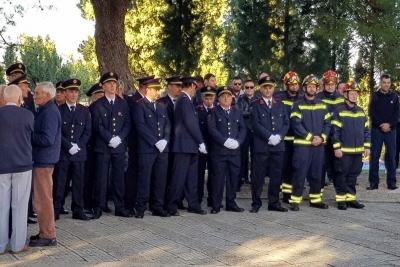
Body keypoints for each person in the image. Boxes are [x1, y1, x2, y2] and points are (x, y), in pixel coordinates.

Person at [91, 72, 132, 219]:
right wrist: (109, 138)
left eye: (114, 82)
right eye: (109, 83)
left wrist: (119, 138)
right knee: (101, 177)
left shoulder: (123, 103)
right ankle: (99, 206)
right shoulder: (97, 105)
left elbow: (127, 123)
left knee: (118, 177)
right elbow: (97, 125)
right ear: (103, 86)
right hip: (103, 146)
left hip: (119, 146)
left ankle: (119, 207)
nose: (113, 85)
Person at [289, 74, 331, 211]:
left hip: (318, 146)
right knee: (299, 172)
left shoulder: (322, 105)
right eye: (309, 86)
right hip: (303, 146)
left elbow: (328, 124)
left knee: (317, 173)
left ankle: (315, 199)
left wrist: (322, 138)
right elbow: (296, 124)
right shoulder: (297, 105)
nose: (312, 89)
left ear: (317, 88)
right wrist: (311, 138)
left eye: (314, 86)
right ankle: (295, 200)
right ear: (305, 88)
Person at [0, 85, 34, 254]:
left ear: (5, 98)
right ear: (20, 98)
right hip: (23, 165)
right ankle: (17, 245)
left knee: (1, 207)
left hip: (1, 166)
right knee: (19, 207)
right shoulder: (28, 115)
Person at [167, 76, 208, 216]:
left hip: (189, 145)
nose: (195, 89)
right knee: (179, 176)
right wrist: (200, 141)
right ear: (191, 85)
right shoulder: (184, 100)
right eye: (195, 86)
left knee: (191, 177)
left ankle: (193, 204)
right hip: (183, 145)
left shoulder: (185, 100)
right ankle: (171, 205)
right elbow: (190, 123)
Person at [53, 79, 92, 221]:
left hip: (79, 153)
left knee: (78, 182)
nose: (74, 94)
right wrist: (68, 146)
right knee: (60, 182)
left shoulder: (84, 110)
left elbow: (87, 131)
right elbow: (57, 132)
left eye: (76, 91)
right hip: (64, 152)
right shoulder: (58, 110)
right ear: (65, 93)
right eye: (71, 91)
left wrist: (78, 146)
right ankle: (56, 209)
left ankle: (78, 209)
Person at [249, 75, 289, 213]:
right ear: (261, 89)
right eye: (265, 87)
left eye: (270, 87)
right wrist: (269, 136)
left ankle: (274, 202)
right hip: (262, 145)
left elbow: (286, 122)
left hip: (278, 145)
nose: (267, 90)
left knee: (276, 176)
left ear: (273, 88)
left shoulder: (280, 104)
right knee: (258, 176)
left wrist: (279, 136)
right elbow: (255, 124)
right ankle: (256, 203)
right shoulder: (255, 104)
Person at [133, 78, 171, 218]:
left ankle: (157, 206)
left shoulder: (161, 106)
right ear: (147, 89)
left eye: (158, 89)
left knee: (160, 178)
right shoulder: (140, 105)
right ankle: (141, 207)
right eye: (154, 89)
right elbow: (141, 126)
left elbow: (167, 124)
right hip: (148, 148)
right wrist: (155, 142)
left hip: (162, 148)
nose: (157, 92)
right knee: (145, 178)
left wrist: (165, 140)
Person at [29, 82, 61, 247]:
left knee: (43, 199)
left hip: (44, 159)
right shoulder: (46, 109)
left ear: (47, 95)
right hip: (43, 159)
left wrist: (28, 136)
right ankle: (44, 232)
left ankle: (48, 236)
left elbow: (47, 139)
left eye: (37, 93)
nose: (34, 96)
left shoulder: (50, 112)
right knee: (40, 198)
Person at [331, 80, 371, 210]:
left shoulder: (360, 111)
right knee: (342, 174)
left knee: (353, 174)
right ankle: (341, 199)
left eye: (356, 94)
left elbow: (366, 131)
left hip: (358, 151)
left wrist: (367, 146)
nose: (354, 96)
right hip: (343, 150)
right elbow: (334, 132)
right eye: (351, 93)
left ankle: (351, 198)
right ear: (345, 94)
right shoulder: (339, 111)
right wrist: (336, 147)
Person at [207, 86, 247, 214]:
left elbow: (243, 129)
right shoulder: (213, 112)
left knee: (233, 178)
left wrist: (238, 141)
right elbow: (212, 129)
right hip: (219, 151)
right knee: (218, 178)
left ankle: (231, 203)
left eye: (228, 96)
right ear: (218, 99)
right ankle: (216, 204)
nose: (226, 98)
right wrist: (224, 141)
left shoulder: (237, 112)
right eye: (223, 96)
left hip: (234, 152)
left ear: (232, 98)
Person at [124, 75, 154, 215]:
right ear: (145, 87)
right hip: (136, 142)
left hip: (147, 144)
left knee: (144, 174)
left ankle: (141, 201)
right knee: (134, 172)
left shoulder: (151, 101)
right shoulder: (133, 100)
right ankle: (129, 203)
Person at [157, 76, 186, 210]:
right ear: (169, 87)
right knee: (164, 174)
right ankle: (161, 201)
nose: (180, 88)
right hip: (165, 143)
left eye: (181, 86)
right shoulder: (162, 102)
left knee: (177, 174)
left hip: (180, 144)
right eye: (177, 86)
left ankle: (176, 199)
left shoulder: (184, 101)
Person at [274, 71, 302, 203]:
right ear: (286, 85)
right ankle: (275, 192)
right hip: (282, 138)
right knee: (280, 166)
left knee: (292, 167)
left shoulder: (302, 98)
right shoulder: (278, 97)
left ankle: (287, 193)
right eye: (292, 84)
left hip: (296, 139)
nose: (294, 87)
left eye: (296, 84)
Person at [368, 73, 399, 190]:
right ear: (380, 83)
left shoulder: (394, 97)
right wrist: (381, 124)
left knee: (391, 156)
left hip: (391, 130)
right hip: (377, 129)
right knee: (374, 156)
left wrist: (389, 125)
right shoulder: (374, 96)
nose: (386, 85)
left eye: (388, 82)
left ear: (390, 83)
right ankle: (373, 183)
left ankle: (391, 183)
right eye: (384, 82)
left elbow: (396, 115)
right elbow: (372, 113)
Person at [316, 70, 344, 187]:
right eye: (328, 84)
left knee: (338, 166)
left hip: (337, 137)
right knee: (321, 165)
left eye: (333, 84)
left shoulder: (341, 98)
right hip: (323, 136)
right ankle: (318, 190)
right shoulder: (318, 98)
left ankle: (340, 193)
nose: (330, 87)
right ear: (324, 84)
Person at [83, 83, 104, 214]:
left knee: (100, 176)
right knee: (89, 176)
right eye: (100, 96)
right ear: (93, 97)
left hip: (102, 146)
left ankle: (100, 202)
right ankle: (87, 202)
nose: (102, 98)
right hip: (90, 147)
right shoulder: (88, 110)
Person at [196, 86, 216, 207]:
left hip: (214, 146)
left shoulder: (217, 110)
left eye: (211, 98)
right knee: (199, 173)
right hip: (201, 146)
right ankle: (197, 198)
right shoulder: (198, 110)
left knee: (214, 174)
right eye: (206, 98)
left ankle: (212, 198)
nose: (209, 101)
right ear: (202, 98)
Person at [236, 79, 258, 189]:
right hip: (244, 132)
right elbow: (238, 113)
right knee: (242, 156)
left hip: (255, 132)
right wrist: (250, 112)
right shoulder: (239, 99)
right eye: (247, 87)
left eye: (251, 87)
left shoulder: (258, 100)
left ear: (254, 88)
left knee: (256, 156)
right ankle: (240, 179)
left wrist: (248, 113)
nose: (249, 89)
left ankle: (254, 179)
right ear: (244, 89)